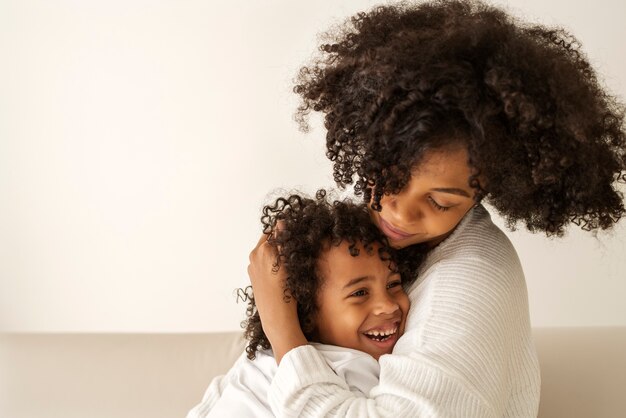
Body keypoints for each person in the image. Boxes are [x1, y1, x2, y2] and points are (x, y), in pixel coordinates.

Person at [247, 1, 626, 417]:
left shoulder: (468, 281)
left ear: (487, 189)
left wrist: (282, 328)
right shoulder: (372, 241)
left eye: (439, 201)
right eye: (389, 176)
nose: (399, 214)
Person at [188, 190, 420, 417]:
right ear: (307, 312)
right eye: (360, 292)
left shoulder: (264, 354)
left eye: (394, 284)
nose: (388, 306)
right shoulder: (353, 366)